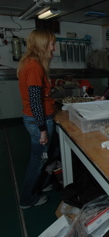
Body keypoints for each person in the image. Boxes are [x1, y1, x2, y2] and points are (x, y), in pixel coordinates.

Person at [17, 29, 57, 209]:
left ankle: (42, 184)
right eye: (52, 44)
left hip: (37, 120)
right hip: (38, 121)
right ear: (43, 45)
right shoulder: (34, 66)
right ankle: (27, 198)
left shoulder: (30, 62)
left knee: (45, 157)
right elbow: (35, 101)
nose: (54, 48)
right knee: (37, 161)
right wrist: (42, 129)